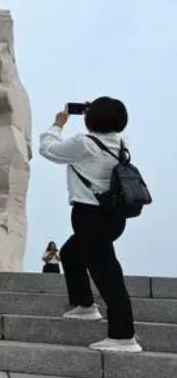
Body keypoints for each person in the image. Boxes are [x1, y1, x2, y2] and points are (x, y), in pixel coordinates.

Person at [39, 97, 141, 353]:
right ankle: (84, 305)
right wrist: (97, 113)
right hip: (113, 216)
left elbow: (48, 149)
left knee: (108, 274)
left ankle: (123, 336)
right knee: (71, 253)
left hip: (90, 215)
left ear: (91, 119)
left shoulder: (84, 144)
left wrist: (58, 124)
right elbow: (104, 128)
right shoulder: (120, 144)